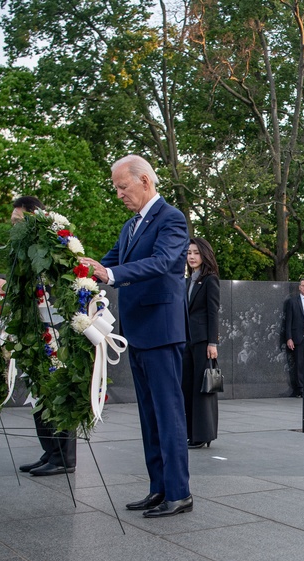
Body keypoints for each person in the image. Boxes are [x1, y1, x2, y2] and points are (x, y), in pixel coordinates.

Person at [80, 155, 192, 518]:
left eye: (122, 186)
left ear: (144, 181)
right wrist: (74, 265)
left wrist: (110, 275)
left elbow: (162, 262)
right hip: (138, 332)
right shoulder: (131, 226)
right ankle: (158, 488)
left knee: (168, 413)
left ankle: (179, 493)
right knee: (149, 415)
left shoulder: (171, 219)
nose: (118, 194)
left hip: (160, 330)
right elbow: (104, 263)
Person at [0, 197, 78, 477]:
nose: (14, 225)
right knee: (39, 391)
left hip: (55, 326)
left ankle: (64, 457)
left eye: (19, 220)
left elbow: (57, 280)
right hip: (34, 327)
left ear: (35, 216)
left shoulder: (54, 241)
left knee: (55, 390)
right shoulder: (23, 247)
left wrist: (10, 285)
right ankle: (50, 451)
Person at [183, 237, 220, 449]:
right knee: (187, 387)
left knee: (202, 388)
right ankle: (190, 433)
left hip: (203, 342)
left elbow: (213, 312)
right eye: (189, 253)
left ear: (204, 254)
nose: (192, 257)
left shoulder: (210, 280)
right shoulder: (188, 280)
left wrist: (212, 343)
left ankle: (202, 435)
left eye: (196, 253)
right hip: (187, 341)